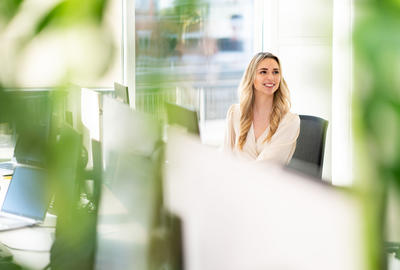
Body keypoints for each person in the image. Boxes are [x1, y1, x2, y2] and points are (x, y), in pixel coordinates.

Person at [223, 52, 300, 164]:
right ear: (251, 77)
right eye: (263, 72)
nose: (271, 77)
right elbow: (225, 157)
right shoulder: (235, 113)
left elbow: (267, 167)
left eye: (275, 72)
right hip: (235, 179)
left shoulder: (290, 121)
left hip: (266, 181)